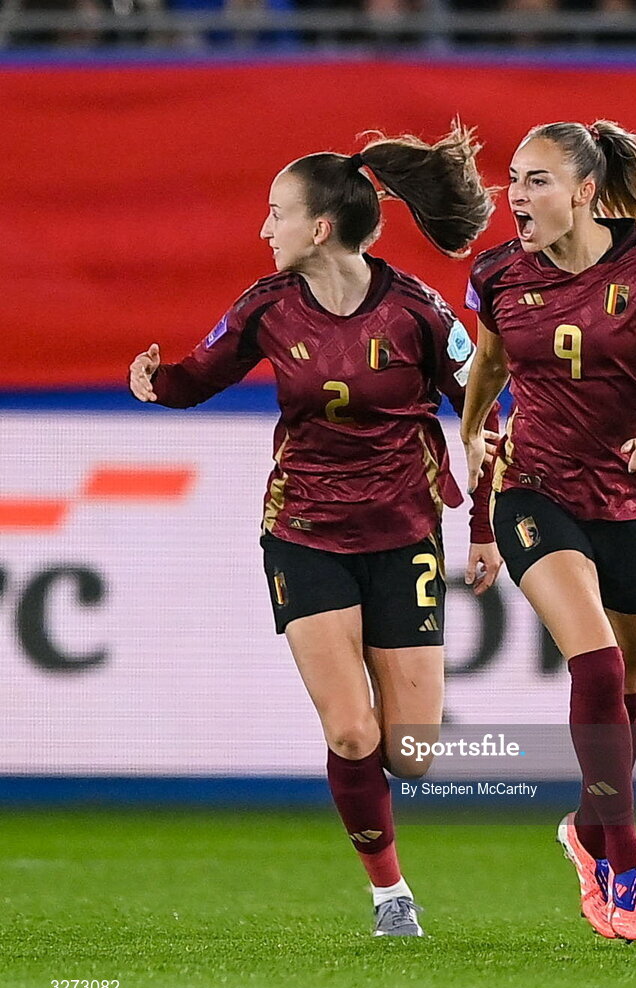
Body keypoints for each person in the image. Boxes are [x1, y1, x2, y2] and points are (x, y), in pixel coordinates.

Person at [128, 125, 502, 938]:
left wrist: (483, 526)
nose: (264, 230)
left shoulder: (419, 313)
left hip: (405, 533)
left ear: (319, 227)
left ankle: (387, 836)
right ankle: (389, 895)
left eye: (275, 213)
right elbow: (200, 375)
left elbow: (484, 416)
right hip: (304, 530)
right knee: (348, 727)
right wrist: (157, 382)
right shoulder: (264, 307)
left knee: (412, 753)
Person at [460, 120, 636, 942]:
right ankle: (626, 861)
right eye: (513, 181)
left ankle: (587, 830)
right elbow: (489, 370)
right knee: (597, 665)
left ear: (584, 192)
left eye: (537, 181)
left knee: (630, 692)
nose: (517, 197)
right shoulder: (496, 273)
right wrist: (471, 436)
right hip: (535, 488)